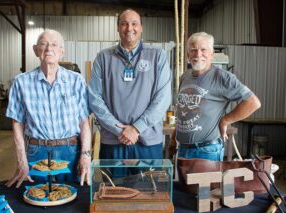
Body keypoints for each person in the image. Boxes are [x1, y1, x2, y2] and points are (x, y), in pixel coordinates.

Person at [6, 29, 92, 187]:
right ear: (36, 50)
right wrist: (21, 158)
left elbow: (84, 122)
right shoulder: (21, 82)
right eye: (43, 44)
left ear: (62, 52)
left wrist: (86, 155)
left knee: (72, 196)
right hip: (36, 150)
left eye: (54, 45)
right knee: (35, 195)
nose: (48, 49)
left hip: (70, 150)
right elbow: (17, 123)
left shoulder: (76, 81)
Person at [88, 9, 171, 161]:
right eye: (124, 24)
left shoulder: (158, 56)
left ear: (141, 27)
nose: (129, 28)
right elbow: (94, 98)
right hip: (114, 140)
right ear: (118, 28)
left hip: (148, 142)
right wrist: (118, 129)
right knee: (113, 185)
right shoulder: (103, 58)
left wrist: (137, 128)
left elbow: (163, 98)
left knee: (148, 185)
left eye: (134, 24)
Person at [168, 32, 261, 161]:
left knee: (205, 182)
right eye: (193, 50)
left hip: (206, 151)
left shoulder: (223, 77)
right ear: (188, 55)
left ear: (211, 54)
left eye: (203, 50)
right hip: (183, 149)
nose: (198, 54)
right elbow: (183, 112)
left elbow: (253, 102)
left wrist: (225, 121)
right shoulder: (185, 76)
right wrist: (173, 139)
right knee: (184, 182)